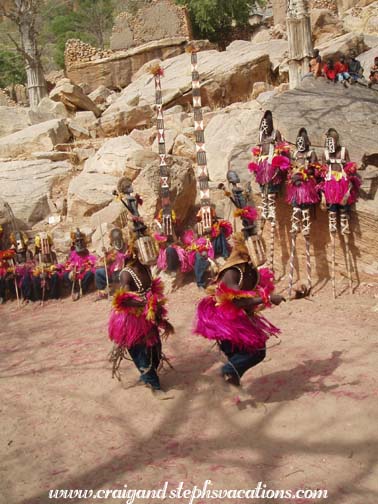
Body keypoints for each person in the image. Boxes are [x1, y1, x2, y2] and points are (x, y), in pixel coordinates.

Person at [194, 233, 285, 386]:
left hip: (240, 318)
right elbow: (237, 302)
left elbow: (256, 292)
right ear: (245, 250)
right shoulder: (232, 272)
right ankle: (227, 373)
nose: (258, 249)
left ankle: (230, 381)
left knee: (243, 356)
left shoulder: (251, 270)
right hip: (225, 321)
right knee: (256, 352)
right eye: (254, 246)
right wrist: (267, 299)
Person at [95, 228, 130, 300]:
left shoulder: (127, 246)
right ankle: (103, 292)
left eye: (118, 240)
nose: (117, 243)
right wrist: (105, 254)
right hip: (112, 272)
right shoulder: (112, 250)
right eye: (115, 241)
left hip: (125, 271)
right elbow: (105, 262)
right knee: (99, 272)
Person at [64, 229, 97, 301]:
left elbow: (90, 261)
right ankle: (75, 290)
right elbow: (68, 264)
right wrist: (72, 269)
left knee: (90, 273)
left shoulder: (86, 251)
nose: (79, 243)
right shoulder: (71, 253)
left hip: (83, 269)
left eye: (81, 241)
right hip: (74, 269)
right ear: (74, 242)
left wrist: (84, 267)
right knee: (66, 274)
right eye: (77, 241)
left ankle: (83, 289)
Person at [32, 232, 63, 301]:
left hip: (51, 271)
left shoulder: (53, 254)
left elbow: (55, 264)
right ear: (39, 246)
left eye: (47, 245)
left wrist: (52, 269)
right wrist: (41, 272)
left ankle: (54, 296)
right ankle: (39, 298)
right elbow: (37, 266)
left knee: (55, 276)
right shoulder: (37, 256)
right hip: (41, 272)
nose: (45, 247)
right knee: (35, 278)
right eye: (43, 245)